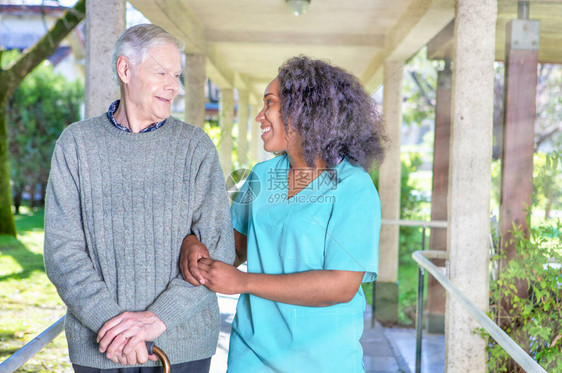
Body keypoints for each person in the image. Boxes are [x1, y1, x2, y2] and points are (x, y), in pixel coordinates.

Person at [44, 24, 234, 372]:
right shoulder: (76, 145)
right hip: (99, 347)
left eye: (176, 75)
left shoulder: (195, 147)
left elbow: (219, 248)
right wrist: (113, 325)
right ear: (125, 69)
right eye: (161, 72)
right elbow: (62, 251)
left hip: (183, 348)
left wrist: (156, 320)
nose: (174, 86)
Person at [180, 56, 387, 372]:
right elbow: (235, 248)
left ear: (306, 111)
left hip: (323, 362)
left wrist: (244, 283)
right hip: (251, 356)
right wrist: (194, 242)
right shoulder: (262, 175)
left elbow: (341, 285)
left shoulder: (353, 188)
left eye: (270, 104)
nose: (259, 117)